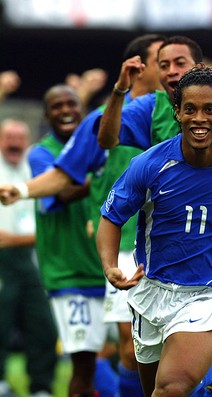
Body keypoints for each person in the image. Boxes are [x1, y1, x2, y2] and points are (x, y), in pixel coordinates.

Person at [96, 65, 212, 397]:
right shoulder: (149, 165)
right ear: (178, 113)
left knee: (170, 389)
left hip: (207, 295)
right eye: (190, 109)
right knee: (155, 387)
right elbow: (112, 217)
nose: (200, 118)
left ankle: (208, 361)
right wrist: (110, 265)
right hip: (151, 291)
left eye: (209, 109)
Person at [0, 33, 167, 397]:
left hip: (159, 251)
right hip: (90, 266)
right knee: (115, 349)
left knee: (140, 349)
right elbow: (64, 179)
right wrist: (24, 190)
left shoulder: (185, 109)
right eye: (163, 61)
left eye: (178, 61)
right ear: (140, 67)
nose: (171, 69)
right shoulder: (58, 148)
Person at [27, 85, 108, 397]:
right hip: (69, 273)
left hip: (107, 268)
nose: (65, 110)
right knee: (83, 362)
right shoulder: (42, 153)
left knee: (125, 353)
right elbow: (59, 193)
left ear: (82, 110)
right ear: (47, 116)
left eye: (71, 104)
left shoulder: (98, 148)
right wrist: (104, 177)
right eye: (57, 106)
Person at [0, 119, 57, 397]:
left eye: (20, 137)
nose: (15, 142)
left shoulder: (33, 164)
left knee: (42, 325)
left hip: (33, 256)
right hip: (1, 260)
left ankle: (41, 386)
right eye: (9, 136)